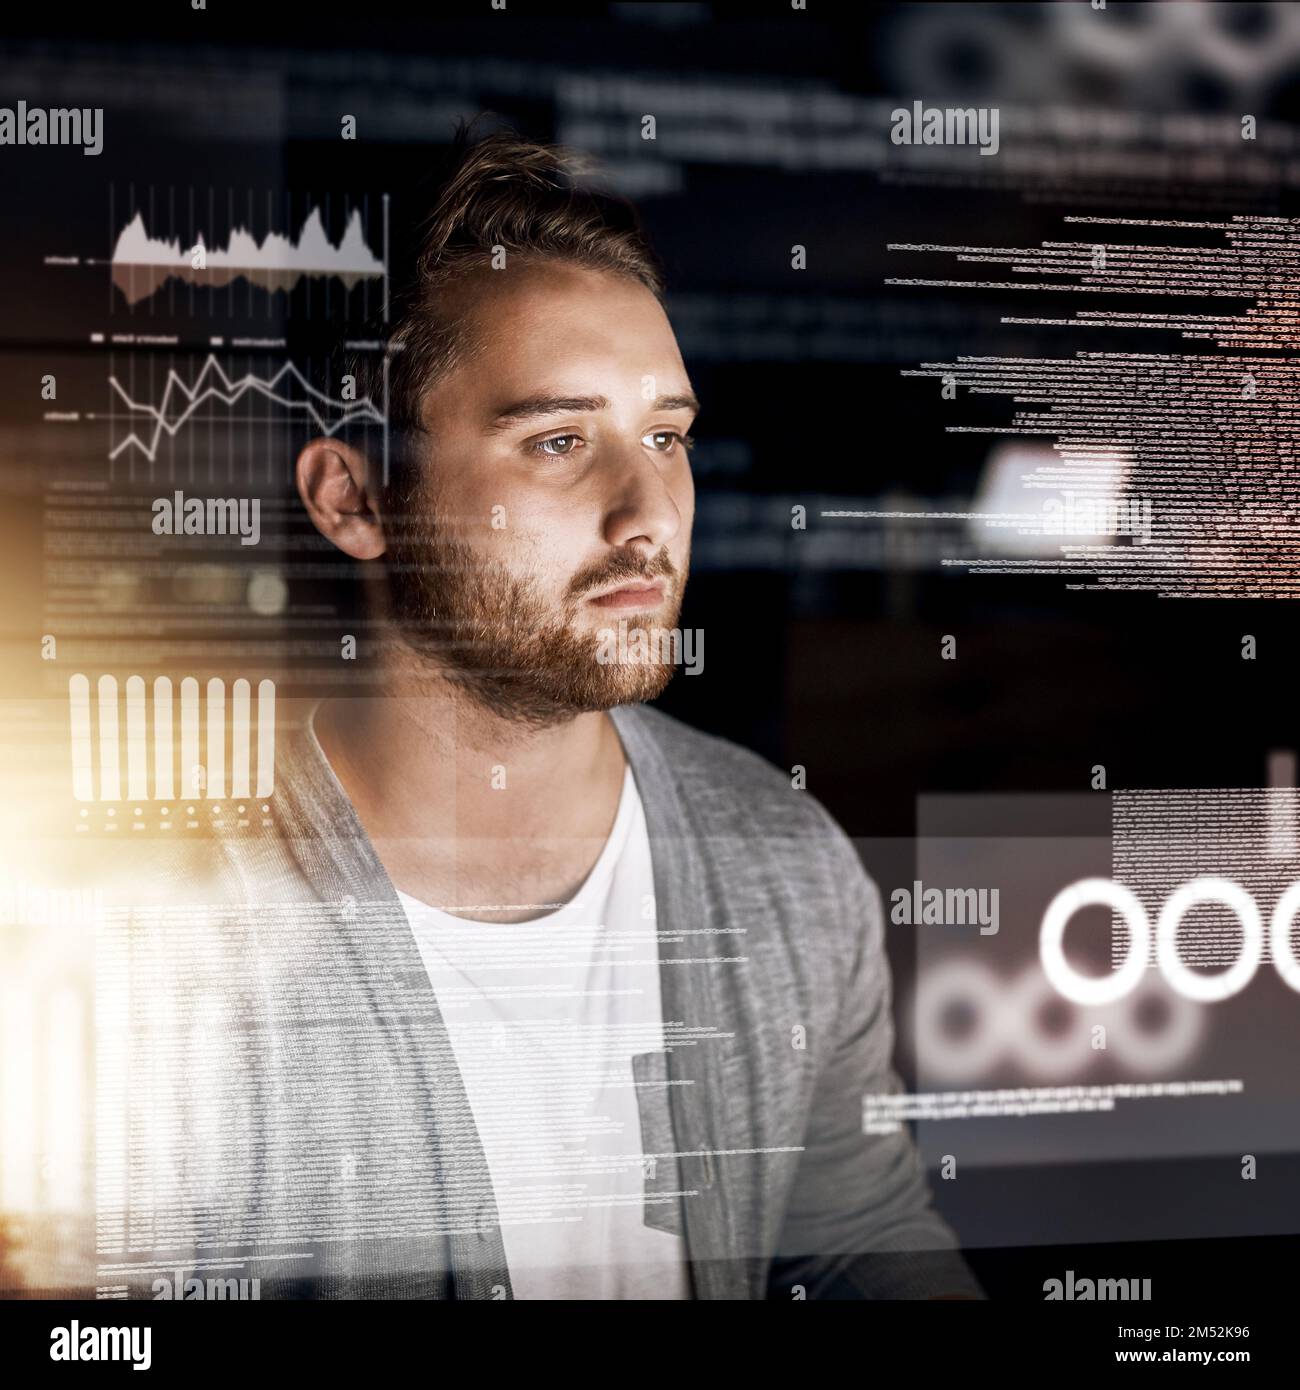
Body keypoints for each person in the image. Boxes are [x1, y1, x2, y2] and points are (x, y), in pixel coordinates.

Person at [99, 126, 982, 1302]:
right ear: (355, 497)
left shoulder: (783, 865)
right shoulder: (145, 948)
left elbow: (855, 1241)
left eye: (664, 436)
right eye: (559, 441)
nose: (646, 512)